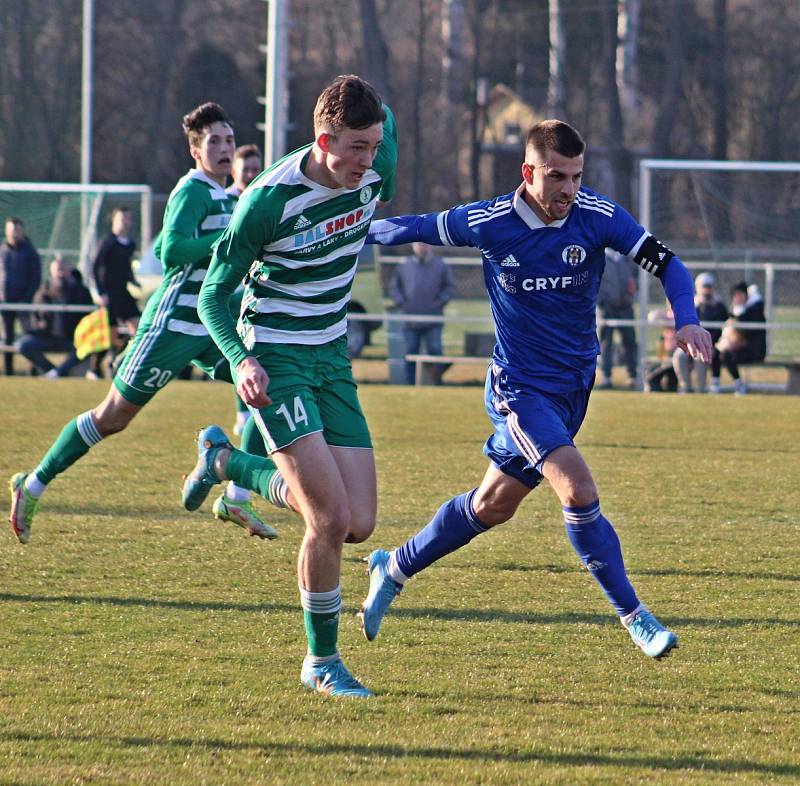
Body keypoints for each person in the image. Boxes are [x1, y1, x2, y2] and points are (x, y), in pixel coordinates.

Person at [358, 119, 712, 666]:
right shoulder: (490, 222)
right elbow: (412, 228)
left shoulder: (597, 216)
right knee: (577, 488)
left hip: (573, 388)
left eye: (576, 175)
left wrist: (685, 319)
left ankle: (395, 567)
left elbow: (668, 264)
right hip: (518, 390)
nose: (568, 189)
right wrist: (347, 226)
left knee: (491, 506)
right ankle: (635, 617)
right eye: (556, 177)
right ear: (528, 172)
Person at [180, 74, 398, 697]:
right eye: (356, 147)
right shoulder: (267, 201)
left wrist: (376, 120)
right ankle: (320, 663)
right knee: (328, 518)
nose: (367, 159)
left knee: (360, 524)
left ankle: (226, 461)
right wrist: (241, 360)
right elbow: (215, 299)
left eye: (374, 144)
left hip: (332, 354)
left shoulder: (381, 158)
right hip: (277, 358)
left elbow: (384, 127)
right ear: (322, 139)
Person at [9, 102, 278, 546]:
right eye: (215, 142)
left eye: (229, 140)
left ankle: (235, 494)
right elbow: (171, 252)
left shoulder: (226, 197)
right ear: (196, 151)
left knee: (264, 387)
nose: (226, 149)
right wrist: (227, 240)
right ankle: (33, 484)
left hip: (212, 325)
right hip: (171, 325)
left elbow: (200, 258)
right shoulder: (192, 190)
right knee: (112, 417)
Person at [226, 144, 263, 435]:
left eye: (255, 168)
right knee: (240, 353)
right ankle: (243, 412)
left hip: (254, 291)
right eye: (246, 169)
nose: (251, 174)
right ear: (233, 172)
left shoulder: (263, 200)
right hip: (226, 294)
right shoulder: (223, 202)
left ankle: (247, 412)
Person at [16, 254, 93, 377]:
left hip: (71, 338)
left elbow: (89, 317)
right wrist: (39, 326)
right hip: (47, 337)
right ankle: (51, 370)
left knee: (88, 347)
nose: (61, 273)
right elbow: (35, 316)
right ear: (52, 271)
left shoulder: (81, 291)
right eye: (58, 270)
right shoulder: (43, 291)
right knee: (22, 345)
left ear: (69, 270)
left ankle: (59, 372)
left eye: (63, 269)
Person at [389, 241, 455, 384]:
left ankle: (437, 382)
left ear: (429, 246)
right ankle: (410, 384)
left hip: (433, 318)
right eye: (419, 244)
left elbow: (449, 288)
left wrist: (439, 302)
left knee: (435, 350)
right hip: (410, 319)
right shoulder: (404, 265)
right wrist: (402, 303)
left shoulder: (440, 265)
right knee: (410, 351)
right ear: (413, 246)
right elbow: (395, 288)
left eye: (424, 244)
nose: (422, 247)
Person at [88, 206, 141, 379]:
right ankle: (95, 369)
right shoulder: (107, 241)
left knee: (139, 327)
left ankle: (120, 361)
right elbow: (95, 267)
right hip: (109, 294)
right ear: (114, 220)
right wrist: (99, 292)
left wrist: (133, 280)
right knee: (108, 336)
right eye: (121, 219)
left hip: (123, 292)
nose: (125, 222)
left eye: (128, 219)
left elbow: (125, 266)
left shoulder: (131, 243)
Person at [672, 272, 728, 393]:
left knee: (701, 356)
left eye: (709, 287)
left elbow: (724, 329)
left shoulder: (719, 306)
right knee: (679, 355)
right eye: (704, 287)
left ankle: (700, 389)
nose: (707, 290)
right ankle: (685, 387)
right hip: (690, 343)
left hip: (710, 343)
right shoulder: (692, 305)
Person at [0, 217, 41, 375]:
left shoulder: (30, 251)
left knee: (29, 336)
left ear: (22, 230)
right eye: (11, 230)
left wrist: (27, 298)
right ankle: (9, 370)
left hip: (24, 303)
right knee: (7, 337)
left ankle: (33, 369)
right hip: (5, 303)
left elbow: (35, 277)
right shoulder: (2, 251)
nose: (14, 233)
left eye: (16, 229)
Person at [597, 250, 638, 389]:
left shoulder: (627, 258)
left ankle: (633, 376)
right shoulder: (600, 256)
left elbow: (636, 277)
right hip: (607, 308)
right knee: (606, 343)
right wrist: (602, 300)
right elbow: (594, 280)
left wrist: (632, 291)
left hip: (626, 307)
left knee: (630, 342)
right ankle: (606, 377)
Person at [717, 281, 766, 395]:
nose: (738, 298)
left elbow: (747, 330)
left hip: (755, 351)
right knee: (719, 353)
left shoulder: (755, 309)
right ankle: (720, 383)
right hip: (742, 348)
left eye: (740, 294)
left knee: (726, 356)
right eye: (735, 295)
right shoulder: (738, 309)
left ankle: (739, 385)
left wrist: (740, 312)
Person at [645, 302, 679, 392]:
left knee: (671, 376)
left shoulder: (685, 314)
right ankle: (652, 381)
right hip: (668, 351)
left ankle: (652, 379)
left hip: (680, 351)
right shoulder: (667, 315)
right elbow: (653, 317)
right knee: (668, 377)